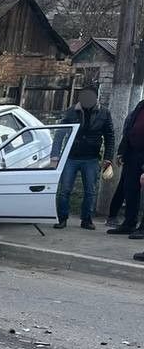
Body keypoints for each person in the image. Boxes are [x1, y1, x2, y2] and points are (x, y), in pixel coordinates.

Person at [55, 86, 114, 229]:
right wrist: (55, 155)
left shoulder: (104, 113)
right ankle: (62, 218)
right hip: (71, 156)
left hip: (91, 158)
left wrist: (107, 158)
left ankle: (86, 219)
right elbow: (60, 133)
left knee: (90, 191)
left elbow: (109, 136)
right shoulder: (71, 111)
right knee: (64, 190)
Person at [108, 96, 144, 238]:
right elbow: (129, 129)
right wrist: (122, 151)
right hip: (133, 154)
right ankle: (129, 223)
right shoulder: (141, 105)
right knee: (130, 189)